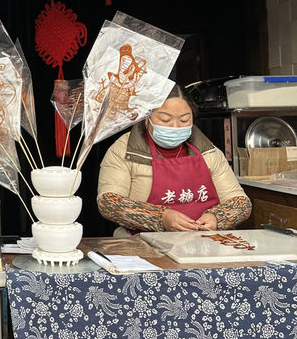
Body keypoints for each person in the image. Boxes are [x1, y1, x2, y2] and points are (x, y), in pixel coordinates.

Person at [97, 84, 251, 236]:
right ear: (146, 118)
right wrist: (160, 217)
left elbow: (241, 203)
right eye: (165, 120)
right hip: (143, 246)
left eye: (184, 120)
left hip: (203, 244)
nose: (175, 126)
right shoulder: (125, 150)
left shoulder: (208, 151)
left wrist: (217, 218)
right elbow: (109, 202)